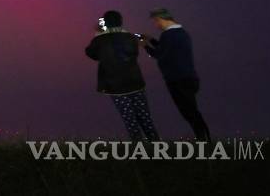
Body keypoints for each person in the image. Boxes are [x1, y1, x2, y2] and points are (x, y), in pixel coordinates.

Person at [84, 11, 159, 141]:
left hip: (115, 87)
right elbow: (134, 53)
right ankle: (157, 147)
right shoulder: (130, 37)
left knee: (130, 120)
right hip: (135, 83)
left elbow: (91, 54)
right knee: (145, 117)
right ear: (121, 21)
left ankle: (140, 151)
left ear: (105, 23)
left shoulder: (99, 40)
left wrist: (98, 34)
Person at [142, 8, 210, 141]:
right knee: (192, 110)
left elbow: (159, 54)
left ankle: (203, 139)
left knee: (189, 112)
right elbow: (167, 48)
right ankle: (203, 138)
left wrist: (145, 46)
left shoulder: (167, 35)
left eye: (156, 22)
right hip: (189, 77)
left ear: (161, 19)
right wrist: (152, 40)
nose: (156, 25)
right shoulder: (181, 33)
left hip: (177, 79)